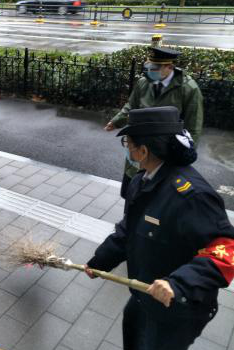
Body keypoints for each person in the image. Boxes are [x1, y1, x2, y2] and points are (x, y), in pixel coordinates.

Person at [86, 106, 234, 350]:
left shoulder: (190, 195)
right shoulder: (140, 182)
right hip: (144, 292)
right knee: (132, 331)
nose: (127, 149)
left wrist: (178, 285)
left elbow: (226, 250)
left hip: (177, 307)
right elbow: (128, 230)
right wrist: (99, 262)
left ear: (143, 151)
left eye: (128, 143)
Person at [104, 46, 204, 198]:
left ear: (169, 67)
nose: (151, 70)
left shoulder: (188, 89)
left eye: (156, 67)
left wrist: (185, 156)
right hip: (138, 147)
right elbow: (131, 105)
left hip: (164, 152)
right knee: (131, 192)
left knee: (154, 197)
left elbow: (193, 126)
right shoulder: (144, 82)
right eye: (150, 65)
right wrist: (116, 121)